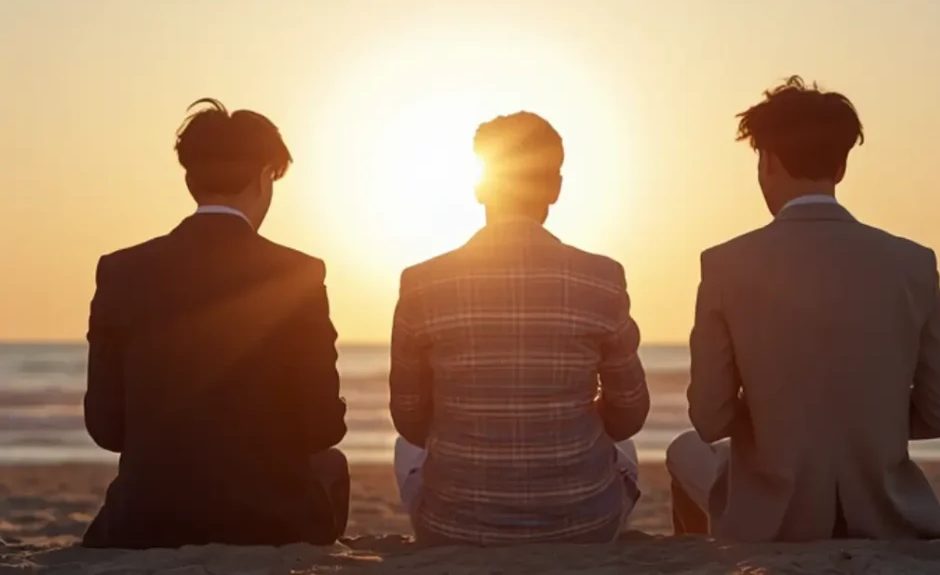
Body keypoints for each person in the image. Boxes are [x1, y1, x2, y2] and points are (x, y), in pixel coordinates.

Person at [667, 76, 940, 541]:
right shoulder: (914, 263)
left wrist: (776, 415)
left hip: (777, 518)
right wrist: (864, 417)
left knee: (684, 450)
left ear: (765, 161)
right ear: (841, 168)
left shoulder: (724, 264)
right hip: (888, 517)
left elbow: (709, 418)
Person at [83, 100, 349, 549]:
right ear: (265, 176)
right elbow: (322, 428)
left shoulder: (121, 270)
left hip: (145, 524)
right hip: (270, 526)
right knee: (331, 464)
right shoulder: (298, 273)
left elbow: (106, 429)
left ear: (190, 178)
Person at [389, 112, 650, 546]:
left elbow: (410, 420)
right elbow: (630, 414)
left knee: (407, 450)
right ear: (556, 187)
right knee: (622, 450)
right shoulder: (602, 278)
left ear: (478, 186)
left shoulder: (421, 282)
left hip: (454, 529)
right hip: (582, 527)